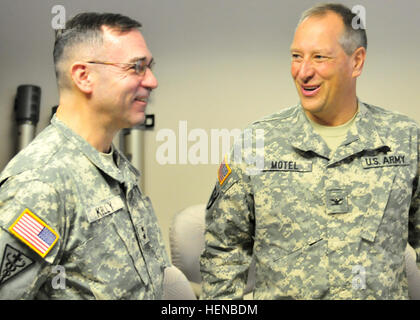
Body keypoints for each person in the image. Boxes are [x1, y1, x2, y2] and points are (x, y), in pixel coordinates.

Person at [200, 3, 420, 299]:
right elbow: (223, 254)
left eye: (319, 57)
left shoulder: (404, 139)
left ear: (356, 62)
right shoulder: (256, 142)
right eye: (296, 57)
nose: (303, 72)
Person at [0, 12, 170, 299]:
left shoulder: (113, 165)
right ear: (84, 76)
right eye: (137, 67)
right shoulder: (41, 182)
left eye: (150, 67)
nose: (152, 81)